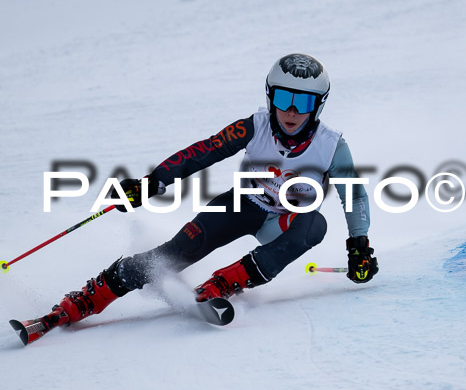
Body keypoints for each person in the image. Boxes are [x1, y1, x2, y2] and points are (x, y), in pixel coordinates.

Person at [35, 53, 378, 336]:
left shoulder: (332, 146)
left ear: (318, 105)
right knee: (172, 255)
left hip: (284, 222)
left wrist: (358, 245)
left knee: (314, 225)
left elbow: (355, 196)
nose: (291, 111)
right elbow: (206, 150)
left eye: (302, 102)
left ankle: (221, 284)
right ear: (270, 96)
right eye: (283, 98)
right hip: (242, 205)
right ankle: (84, 300)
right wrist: (155, 181)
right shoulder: (254, 126)